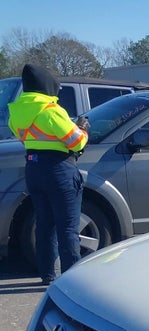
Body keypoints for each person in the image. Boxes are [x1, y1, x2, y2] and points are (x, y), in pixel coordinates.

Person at [7, 63, 89, 284]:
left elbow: (27, 137)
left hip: (33, 168)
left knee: (44, 224)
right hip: (59, 169)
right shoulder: (51, 111)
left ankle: (47, 275)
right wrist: (82, 128)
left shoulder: (16, 113)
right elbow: (76, 141)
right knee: (68, 228)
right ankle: (72, 280)